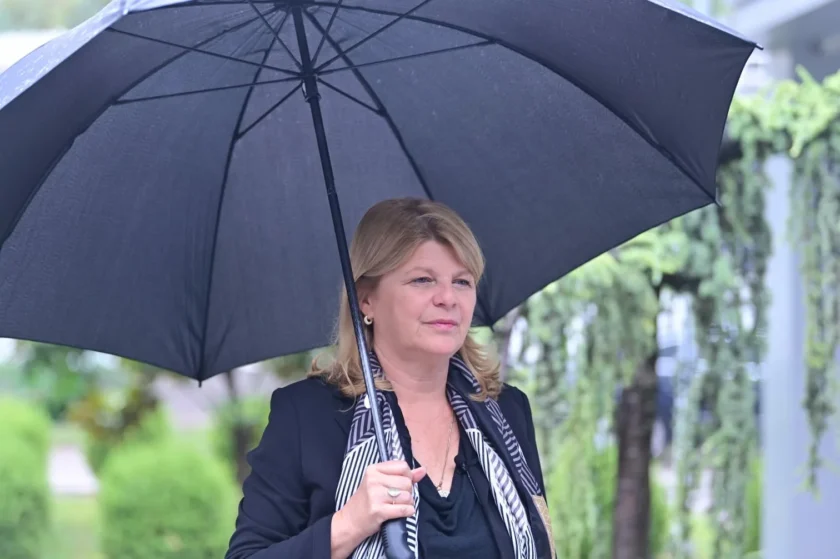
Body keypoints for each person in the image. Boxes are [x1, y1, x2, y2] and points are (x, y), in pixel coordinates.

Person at [224, 198, 556, 559]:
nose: (448, 298)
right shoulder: (306, 416)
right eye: (423, 280)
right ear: (366, 300)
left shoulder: (506, 411)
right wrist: (348, 524)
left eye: (462, 281)